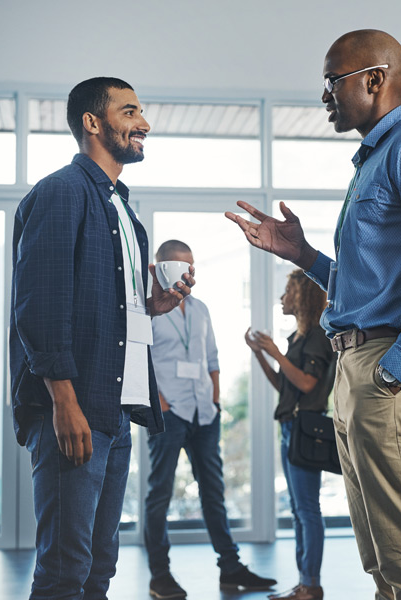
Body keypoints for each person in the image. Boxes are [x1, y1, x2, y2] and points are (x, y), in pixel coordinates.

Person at [226, 29, 401, 599]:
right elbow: (364, 289)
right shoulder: (374, 161)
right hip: (358, 372)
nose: (324, 96)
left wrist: (396, 369)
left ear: (375, 79)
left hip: (389, 374)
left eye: (332, 81)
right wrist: (302, 255)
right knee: (385, 564)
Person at [9, 77, 194, 600]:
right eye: (130, 111)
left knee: (97, 570)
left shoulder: (124, 211)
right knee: (65, 572)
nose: (144, 123)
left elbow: (110, 310)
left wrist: (152, 306)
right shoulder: (61, 194)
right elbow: (39, 304)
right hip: (75, 407)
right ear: (93, 123)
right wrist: (64, 402)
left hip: (114, 411)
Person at [144, 239, 276, 599]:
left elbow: (212, 359)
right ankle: (160, 575)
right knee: (160, 494)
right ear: (159, 269)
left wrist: (215, 400)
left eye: (190, 266)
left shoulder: (200, 309)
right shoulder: (148, 309)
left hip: (204, 412)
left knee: (214, 493)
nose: (186, 272)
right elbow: (141, 359)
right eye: (177, 266)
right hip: (169, 412)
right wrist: (161, 403)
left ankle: (230, 569)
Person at [245, 269, 336, 600]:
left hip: (305, 428)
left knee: (307, 510)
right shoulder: (297, 338)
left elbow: (309, 384)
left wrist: (275, 353)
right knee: (300, 510)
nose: (283, 297)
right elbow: (284, 386)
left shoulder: (317, 337)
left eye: (287, 291)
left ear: (303, 296)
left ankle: (311, 584)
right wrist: (260, 353)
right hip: (291, 425)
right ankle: (304, 583)